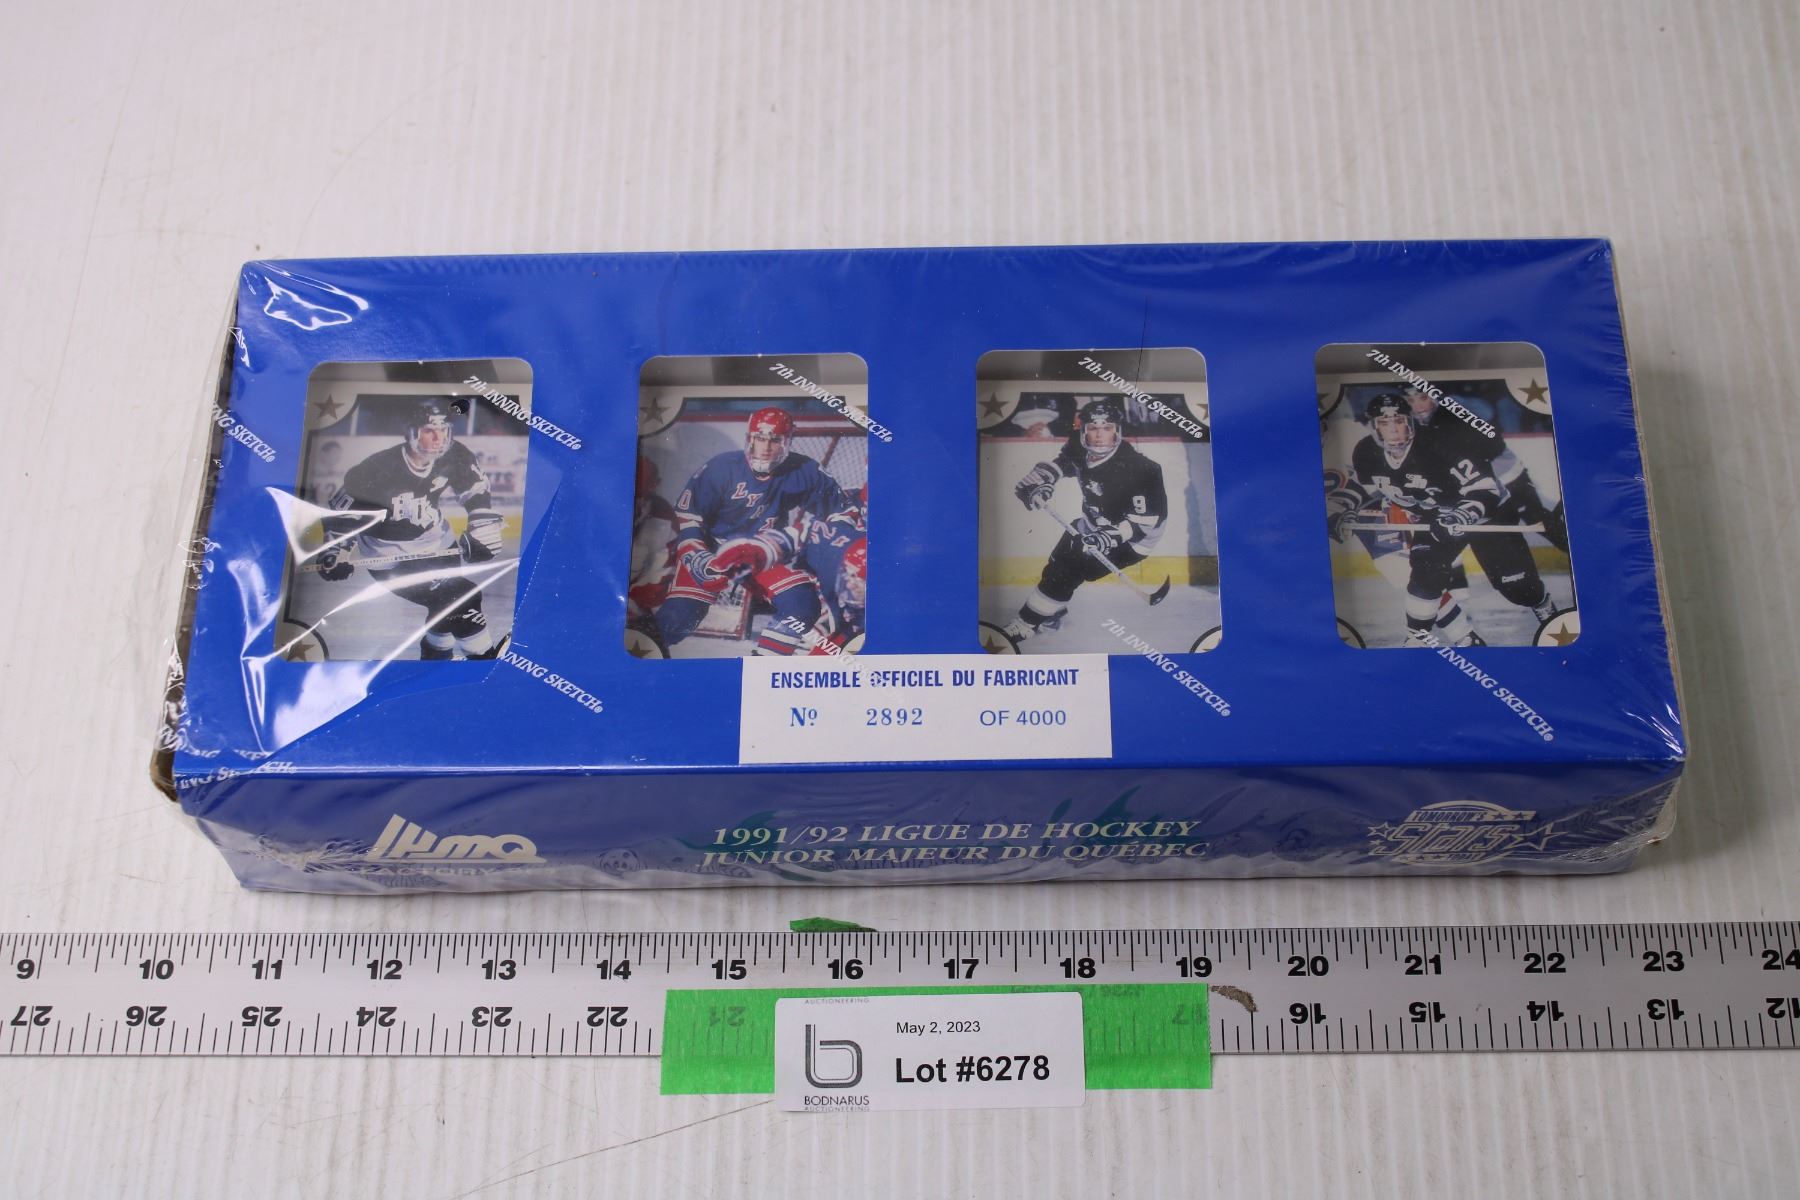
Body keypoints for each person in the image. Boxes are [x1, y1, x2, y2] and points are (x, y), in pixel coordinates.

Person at [316, 397, 508, 660]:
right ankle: (484, 661)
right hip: (390, 560)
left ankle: (433, 662)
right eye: (429, 431)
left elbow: (474, 489)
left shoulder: (454, 455)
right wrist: (335, 552)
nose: (439, 438)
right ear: (410, 433)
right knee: (463, 597)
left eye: (443, 430)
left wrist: (480, 524)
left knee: (447, 606)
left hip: (440, 545)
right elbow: (342, 516)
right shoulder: (375, 470)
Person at [1002, 396, 1166, 644]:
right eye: (1093, 428)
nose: (1099, 435)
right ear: (1083, 430)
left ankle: (1026, 623)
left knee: (1067, 571)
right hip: (1091, 524)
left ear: (1118, 430)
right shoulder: (1079, 446)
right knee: (1057, 562)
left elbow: (1143, 522)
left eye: (1107, 428)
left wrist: (1105, 538)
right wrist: (1041, 481)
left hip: (1131, 540)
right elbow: (1063, 464)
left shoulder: (1142, 469)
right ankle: (1052, 612)